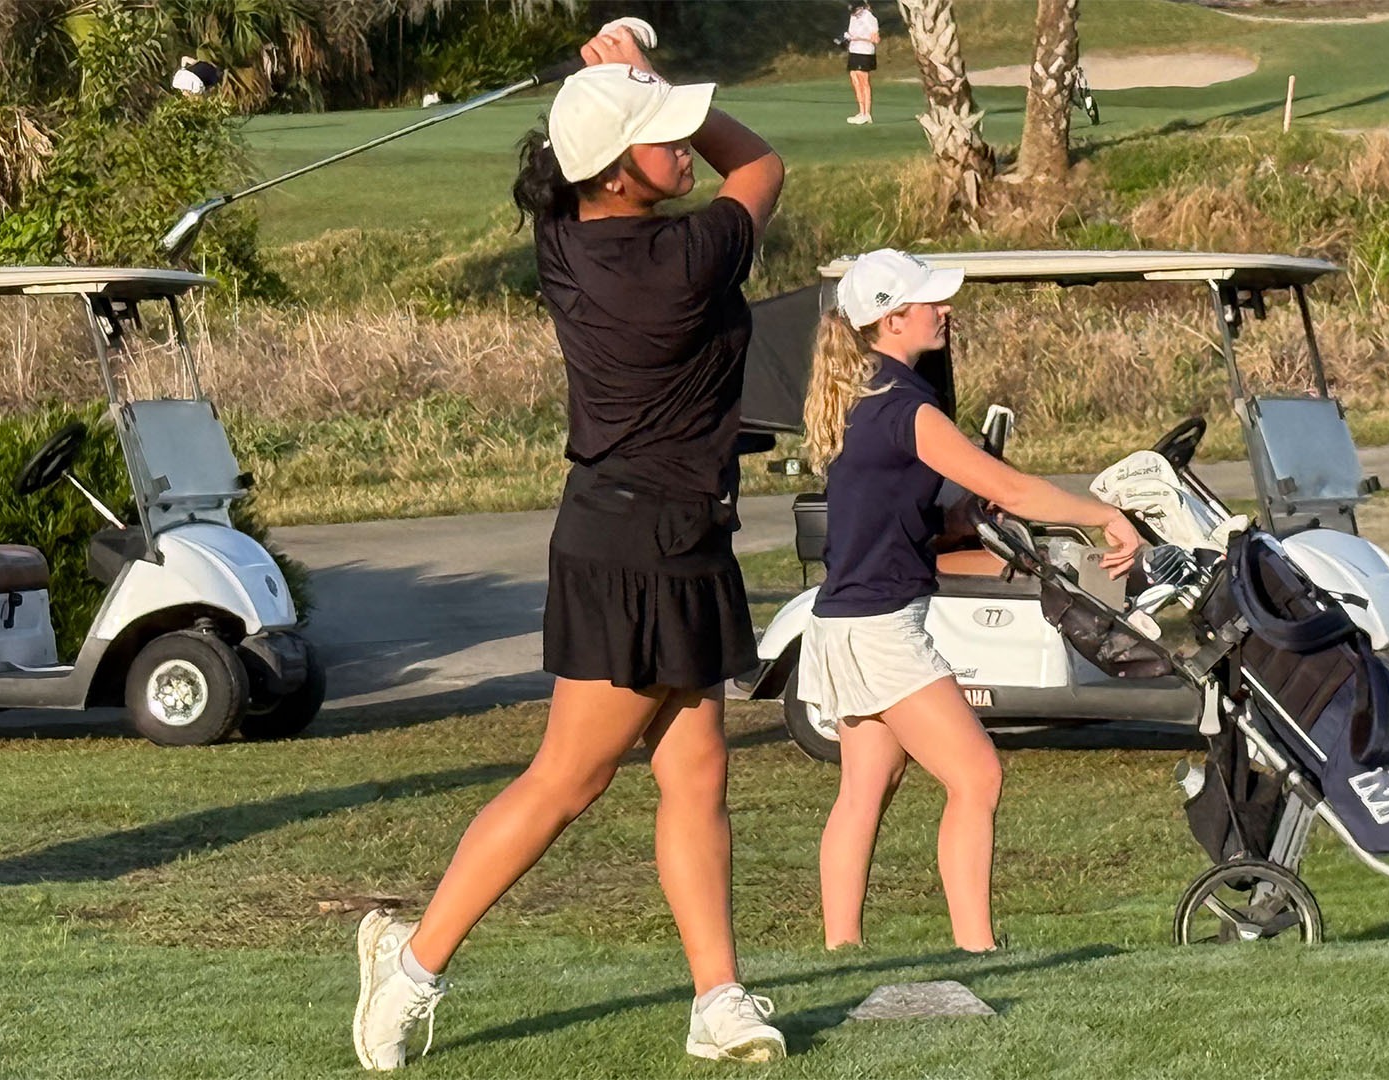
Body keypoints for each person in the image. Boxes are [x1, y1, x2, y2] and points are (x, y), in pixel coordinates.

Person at [351, 22, 787, 1072]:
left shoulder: (567, 239)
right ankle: (409, 969)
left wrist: (620, 87)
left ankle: (717, 999)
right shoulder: (682, 261)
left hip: (665, 530)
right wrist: (640, 76)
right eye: (662, 138)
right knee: (568, 780)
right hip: (638, 542)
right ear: (615, 172)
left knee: (696, 775)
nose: (683, 148)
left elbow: (611, 164)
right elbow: (760, 163)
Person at [798, 249, 1143, 952]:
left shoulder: (867, 394)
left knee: (869, 785)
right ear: (893, 319)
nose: (945, 310)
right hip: (879, 627)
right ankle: (977, 948)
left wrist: (953, 521)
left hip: (845, 619)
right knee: (978, 776)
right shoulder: (905, 408)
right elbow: (1012, 488)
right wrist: (1100, 513)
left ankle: (841, 949)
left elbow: (892, 513)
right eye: (931, 301)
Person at [843, 1, 879, 124]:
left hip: (865, 51)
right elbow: (851, 32)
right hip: (854, 50)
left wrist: (858, 38)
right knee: (854, 79)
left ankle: (867, 113)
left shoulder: (868, 16)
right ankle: (861, 111)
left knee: (863, 81)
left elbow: (875, 38)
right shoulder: (853, 17)